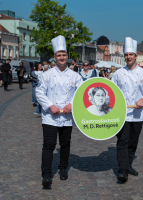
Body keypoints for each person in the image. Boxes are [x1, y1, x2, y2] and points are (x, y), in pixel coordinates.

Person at [36, 35, 83, 186]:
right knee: (48, 145)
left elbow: (81, 93)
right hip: (50, 116)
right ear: (54, 57)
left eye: (64, 55)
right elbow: (39, 93)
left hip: (67, 116)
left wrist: (72, 104)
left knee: (65, 144)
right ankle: (46, 174)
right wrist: (50, 106)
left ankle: (63, 169)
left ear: (67, 57)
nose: (61, 58)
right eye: (59, 55)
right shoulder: (47, 75)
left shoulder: (75, 76)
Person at [112, 37, 143, 182]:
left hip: (137, 114)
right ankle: (122, 170)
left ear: (136, 56)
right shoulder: (118, 74)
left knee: (133, 141)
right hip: (122, 114)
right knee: (122, 141)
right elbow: (112, 92)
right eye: (126, 55)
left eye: (131, 55)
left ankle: (128, 165)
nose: (128, 57)